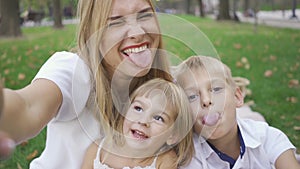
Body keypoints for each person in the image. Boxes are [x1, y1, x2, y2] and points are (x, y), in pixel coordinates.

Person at [0, 0, 173, 168]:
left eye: (144, 15)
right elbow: (27, 106)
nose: (138, 32)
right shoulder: (74, 70)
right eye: (116, 22)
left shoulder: (165, 88)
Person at [172, 55, 300, 169]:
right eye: (192, 97)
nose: (206, 100)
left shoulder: (268, 138)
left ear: (237, 97)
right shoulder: (190, 160)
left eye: (216, 89)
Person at [81, 78, 194, 169]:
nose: (143, 121)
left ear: (172, 136)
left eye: (158, 118)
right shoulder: (98, 150)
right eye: (138, 108)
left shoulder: (164, 161)